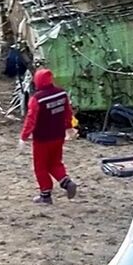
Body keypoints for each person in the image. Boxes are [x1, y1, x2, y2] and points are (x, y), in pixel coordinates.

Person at [19, 68, 79, 204]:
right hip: (58, 135)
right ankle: (66, 182)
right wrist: (69, 128)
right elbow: (68, 112)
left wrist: (23, 136)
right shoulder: (62, 94)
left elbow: (31, 119)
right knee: (55, 162)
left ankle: (45, 195)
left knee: (40, 166)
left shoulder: (37, 99)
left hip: (42, 138)